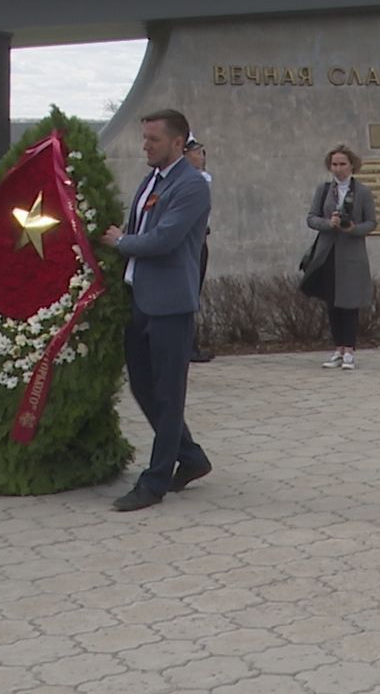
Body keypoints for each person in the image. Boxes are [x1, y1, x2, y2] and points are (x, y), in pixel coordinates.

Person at [101, 108, 213, 511]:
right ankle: (192, 457)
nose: (145, 145)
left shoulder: (192, 185)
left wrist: (120, 242)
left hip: (169, 304)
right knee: (142, 386)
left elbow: (163, 239)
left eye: (153, 139)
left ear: (178, 143)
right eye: (144, 138)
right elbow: (141, 229)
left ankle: (156, 480)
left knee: (168, 394)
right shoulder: (152, 179)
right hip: (140, 299)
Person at [305, 144, 377, 371]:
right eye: (334, 165)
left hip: (352, 254)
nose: (338, 169)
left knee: (350, 302)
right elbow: (311, 218)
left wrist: (353, 228)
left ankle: (349, 350)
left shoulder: (363, 192)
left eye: (342, 164)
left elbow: (371, 223)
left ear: (352, 165)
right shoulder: (324, 190)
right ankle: (337, 348)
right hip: (328, 253)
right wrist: (329, 224)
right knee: (332, 303)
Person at [183, 135, 215, 364]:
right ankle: (187, 346)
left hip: (201, 239)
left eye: (202, 152)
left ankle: (190, 345)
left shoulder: (201, 179)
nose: (201, 157)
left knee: (193, 294)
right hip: (191, 243)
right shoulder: (189, 181)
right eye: (196, 152)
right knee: (187, 294)